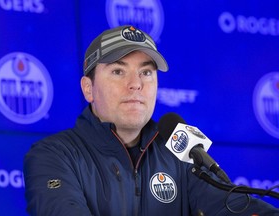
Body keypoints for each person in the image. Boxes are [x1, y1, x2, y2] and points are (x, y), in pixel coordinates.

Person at [23, 25, 279, 216]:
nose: (135, 84)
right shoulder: (53, 155)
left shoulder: (179, 149)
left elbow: (233, 207)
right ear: (88, 89)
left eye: (146, 72)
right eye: (118, 71)